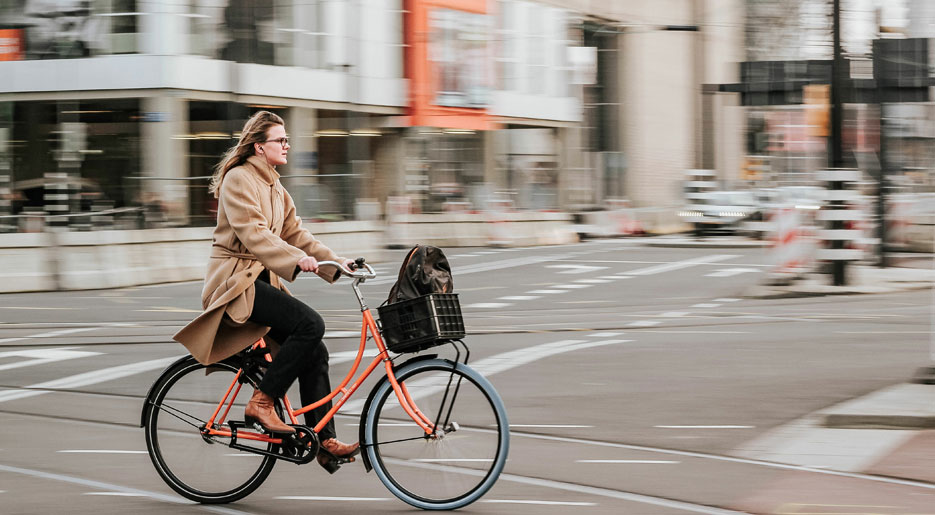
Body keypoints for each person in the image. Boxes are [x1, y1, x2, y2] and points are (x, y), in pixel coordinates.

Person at [173, 111, 359, 470]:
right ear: (259, 146)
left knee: (315, 351)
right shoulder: (239, 179)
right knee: (310, 324)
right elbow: (255, 234)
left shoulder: (275, 186)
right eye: (281, 140)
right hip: (235, 282)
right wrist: (296, 259)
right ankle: (262, 402)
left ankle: (323, 439)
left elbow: (297, 234)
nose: (287, 145)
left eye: (287, 139)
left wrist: (337, 262)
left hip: (259, 281)